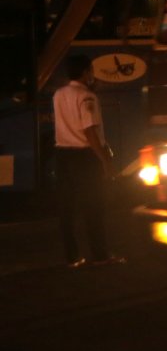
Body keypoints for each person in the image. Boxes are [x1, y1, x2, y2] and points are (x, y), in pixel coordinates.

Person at [52, 54, 122, 267]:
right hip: (85, 156)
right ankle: (100, 255)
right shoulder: (87, 97)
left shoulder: (59, 93)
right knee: (94, 206)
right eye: (91, 70)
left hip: (63, 154)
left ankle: (72, 257)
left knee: (67, 208)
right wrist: (104, 159)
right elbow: (89, 129)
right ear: (85, 72)